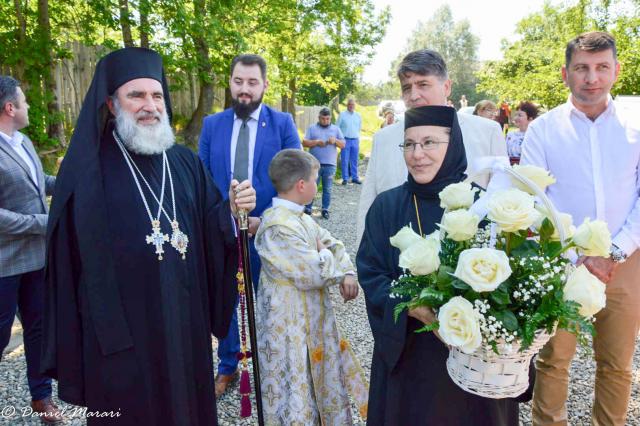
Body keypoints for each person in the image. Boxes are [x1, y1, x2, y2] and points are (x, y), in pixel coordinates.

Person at [41, 47, 256, 425]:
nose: (149, 105)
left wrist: (232, 211)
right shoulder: (88, 172)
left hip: (182, 322)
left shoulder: (184, 161)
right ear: (111, 103)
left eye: (156, 95)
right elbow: (68, 259)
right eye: (136, 95)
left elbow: (210, 225)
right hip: (122, 332)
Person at [357, 105, 519, 425]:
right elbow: (371, 272)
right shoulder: (386, 206)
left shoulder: (482, 204)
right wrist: (412, 304)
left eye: (429, 142)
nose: (417, 154)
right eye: (410, 144)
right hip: (410, 355)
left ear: (454, 143)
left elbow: (511, 279)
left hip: (474, 360)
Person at [521, 31, 640, 426]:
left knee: (617, 364)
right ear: (565, 73)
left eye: (602, 67)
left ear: (616, 70)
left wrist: (616, 251)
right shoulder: (543, 130)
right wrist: (576, 257)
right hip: (561, 263)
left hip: (625, 262)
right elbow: (535, 200)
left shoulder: (635, 127)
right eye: (582, 68)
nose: (592, 77)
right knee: (553, 360)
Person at [198, 53, 301, 397]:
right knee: (227, 302)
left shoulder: (283, 123)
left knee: (272, 302)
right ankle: (228, 367)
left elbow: (298, 179)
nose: (244, 90)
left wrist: (266, 219)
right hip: (224, 232)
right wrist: (223, 215)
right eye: (238, 81)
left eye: (252, 82)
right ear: (230, 82)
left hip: (266, 233)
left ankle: (273, 368)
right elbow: (202, 180)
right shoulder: (213, 125)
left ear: (265, 85)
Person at [254, 149, 368, 425]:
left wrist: (348, 272)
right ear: (301, 185)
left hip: (311, 319)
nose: (317, 186)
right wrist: (326, 257)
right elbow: (313, 272)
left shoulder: (302, 218)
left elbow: (334, 244)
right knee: (296, 386)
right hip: (288, 325)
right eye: (315, 180)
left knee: (317, 382)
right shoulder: (277, 225)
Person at [356, 49, 507, 245]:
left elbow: (502, 198)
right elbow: (369, 204)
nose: (413, 96)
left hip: (464, 261)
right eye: (406, 88)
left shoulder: (487, 132)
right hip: (393, 260)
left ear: (447, 87)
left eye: (423, 84)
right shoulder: (384, 139)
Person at [0, 76, 61, 424]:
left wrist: (71, 183)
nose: (28, 107)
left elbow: (41, 183)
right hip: (4, 262)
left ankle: (41, 398)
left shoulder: (23, 141)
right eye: (23, 102)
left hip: (37, 258)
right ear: (10, 108)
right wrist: (42, 222)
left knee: (39, 328)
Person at [302, 107, 345, 219]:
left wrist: (335, 141)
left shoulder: (336, 129)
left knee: (327, 189)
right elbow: (304, 143)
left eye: (327, 119)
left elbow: (343, 145)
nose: (325, 121)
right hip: (313, 165)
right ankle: (308, 208)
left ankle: (325, 209)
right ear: (319, 118)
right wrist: (316, 142)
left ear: (330, 118)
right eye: (323, 119)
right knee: (311, 186)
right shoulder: (312, 128)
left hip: (330, 165)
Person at [337, 98, 362, 185]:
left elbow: (359, 128)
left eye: (352, 104)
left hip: (355, 140)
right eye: (349, 104)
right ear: (347, 105)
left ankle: (355, 177)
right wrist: (340, 139)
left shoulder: (358, 115)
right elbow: (337, 128)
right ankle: (345, 178)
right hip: (345, 140)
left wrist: (356, 137)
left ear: (354, 106)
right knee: (345, 160)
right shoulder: (342, 115)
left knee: (354, 160)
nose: (351, 106)